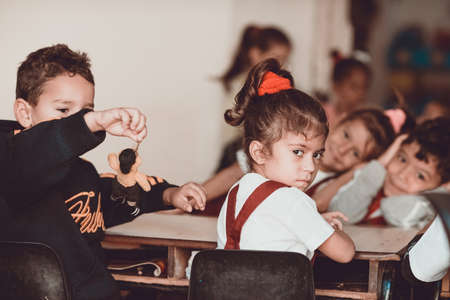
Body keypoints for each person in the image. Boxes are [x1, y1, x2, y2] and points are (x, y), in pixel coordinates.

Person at [0, 44, 206, 300]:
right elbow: (34, 152)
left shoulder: (81, 171)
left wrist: (169, 194)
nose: (76, 119)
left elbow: (115, 194)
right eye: (63, 110)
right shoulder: (10, 157)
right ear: (24, 113)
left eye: (85, 111)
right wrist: (92, 121)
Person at [216, 58, 355, 263]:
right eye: (298, 152)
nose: (310, 167)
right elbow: (345, 253)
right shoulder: (293, 201)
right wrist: (328, 230)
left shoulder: (236, 192)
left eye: (317, 155)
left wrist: (313, 224)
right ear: (259, 152)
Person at [202, 107, 396, 214]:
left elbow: (315, 204)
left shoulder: (335, 186)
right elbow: (233, 173)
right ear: (339, 120)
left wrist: (352, 175)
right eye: (346, 135)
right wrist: (190, 202)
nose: (342, 150)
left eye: (355, 153)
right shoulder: (290, 141)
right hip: (218, 214)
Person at [327, 117, 450, 228]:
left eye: (420, 176)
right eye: (402, 159)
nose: (401, 174)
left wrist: (441, 194)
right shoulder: (371, 179)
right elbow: (340, 215)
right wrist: (380, 164)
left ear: (441, 187)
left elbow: (395, 213)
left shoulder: (424, 210)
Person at [216, 25, 292, 172]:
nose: (281, 65)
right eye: (276, 58)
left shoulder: (275, 83)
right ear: (255, 54)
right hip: (236, 149)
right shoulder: (246, 83)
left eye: (285, 59)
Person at [320, 50, 372, 127]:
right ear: (337, 86)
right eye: (354, 87)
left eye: (364, 87)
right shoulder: (322, 113)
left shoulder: (364, 120)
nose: (361, 93)